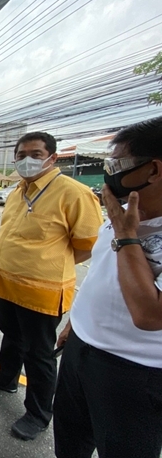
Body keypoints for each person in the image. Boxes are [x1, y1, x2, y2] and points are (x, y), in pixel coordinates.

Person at [0, 131, 103, 441]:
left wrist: (47, 262)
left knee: (39, 354)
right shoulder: (19, 191)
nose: (26, 161)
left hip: (42, 291)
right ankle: (6, 376)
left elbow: (88, 246)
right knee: (12, 336)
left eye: (34, 154)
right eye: (20, 156)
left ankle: (38, 414)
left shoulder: (73, 192)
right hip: (8, 285)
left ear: (52, 157)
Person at [53, 117, 162, 458]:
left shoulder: (122, 221)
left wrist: (125, 234)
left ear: (154, 170)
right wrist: (76, 322)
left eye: (118, 166)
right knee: (70, 444)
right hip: (80, 351)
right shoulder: (125, 214)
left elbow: (148, 313)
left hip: (133, 373)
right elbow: (102, 274)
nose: (108, 176)